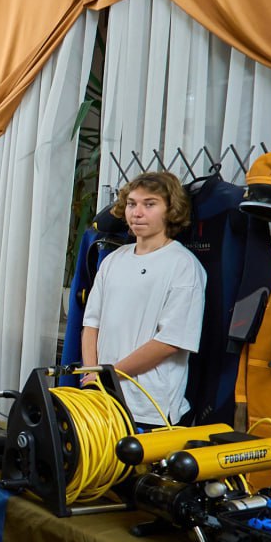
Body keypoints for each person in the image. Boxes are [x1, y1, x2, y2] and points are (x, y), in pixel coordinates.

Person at [81, 171, 206, 426]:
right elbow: (91, 323)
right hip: (103, 398)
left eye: (149, 204)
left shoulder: (183, 266)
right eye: (131, 204)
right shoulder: (114, 260)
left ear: (170, 210)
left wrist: (108, 375)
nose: (137, 213)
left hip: (150, 407)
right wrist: (93, 376)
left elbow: (171, 341)